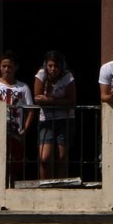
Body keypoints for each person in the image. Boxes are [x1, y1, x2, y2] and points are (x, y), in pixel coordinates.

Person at [0, 50, 33, 183]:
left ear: (16, 67)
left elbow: (31, 110)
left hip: (15, 133)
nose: (6, 69)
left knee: (13, 164)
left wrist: (25, 129)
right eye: (4, 66)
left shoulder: (23, 88)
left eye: (9, 66)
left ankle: (11, 190)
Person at [33, 50, 76, 180]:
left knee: (61, 157)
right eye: (50, 65)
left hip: (65, 119)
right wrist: (60, 102)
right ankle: (45, 185)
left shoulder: (67, 76)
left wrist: (50, 100)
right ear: (46, 65)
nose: (53, 69)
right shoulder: (41, 75)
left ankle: (61, 185)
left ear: (61, 66)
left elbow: (72, 100)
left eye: (56, 66)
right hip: (46, 120)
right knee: (45, 157)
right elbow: (38, 98)